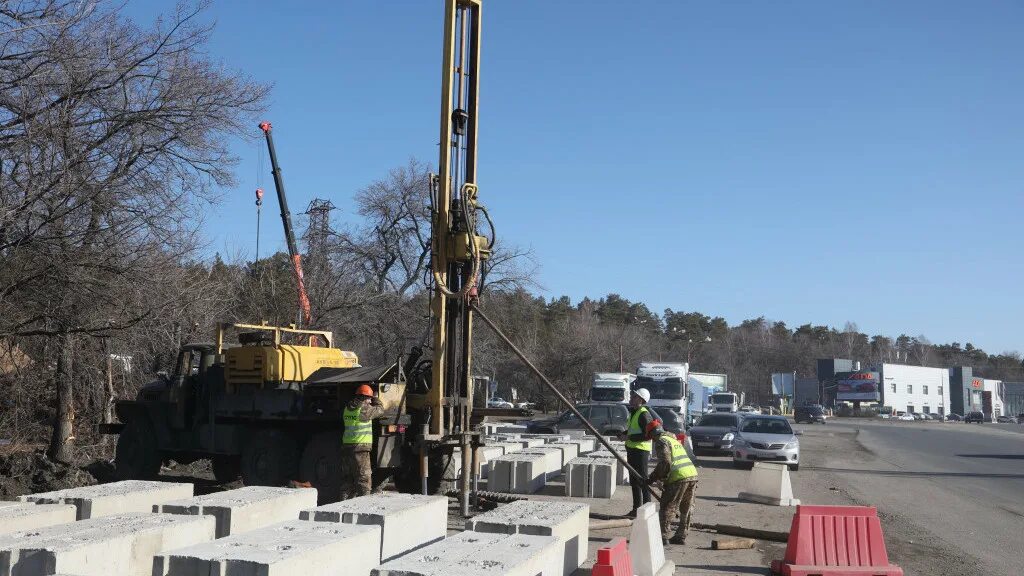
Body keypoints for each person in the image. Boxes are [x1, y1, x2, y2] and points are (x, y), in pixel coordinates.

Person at [647, 421, 699, 545]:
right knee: (686, 508)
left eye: (650, 437)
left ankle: (663, 536)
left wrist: (653, 477)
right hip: (692, 474)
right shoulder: (673, 440)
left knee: (667, 506)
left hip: (678, 477)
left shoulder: (661, 441)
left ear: (653, 434)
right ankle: (681, 535)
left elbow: (665, 463)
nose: (652, 441)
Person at [341, 384, 385, 500]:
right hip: (360, 449)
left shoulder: (347, 408)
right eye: (369, 398)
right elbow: (380, 410)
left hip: (347, 448)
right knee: (364, 481)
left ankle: (342, 504)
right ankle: (363, 506)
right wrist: (376, 398)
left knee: (347, 481)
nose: (370, 401)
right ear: (364, 397)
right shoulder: (363, 410)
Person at [622, 388, 654, 517]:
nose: (631, 398)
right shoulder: (634, 412)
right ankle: (636, 509)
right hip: (632, 449)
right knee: (634, 481)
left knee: (643, 480)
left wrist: (629, 437)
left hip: (641, 451)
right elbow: (633, 430)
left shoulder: (644, 414)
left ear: (641, 400)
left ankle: (647, 510)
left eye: (634, 396)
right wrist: (624, 434)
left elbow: (648, 435)